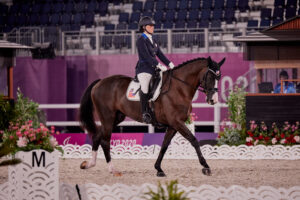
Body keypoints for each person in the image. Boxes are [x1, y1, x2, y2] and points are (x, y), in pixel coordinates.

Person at [135, 16, 175, 123]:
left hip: (154, 69)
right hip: (144, 70)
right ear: (144, 27)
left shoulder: (153, 39)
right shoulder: (140, 40)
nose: (153, 27)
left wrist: (169, 63)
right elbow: (146, 57)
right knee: (145, 88)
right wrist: (158, 64)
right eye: (150, 26)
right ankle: (144, 113)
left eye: (153, 26)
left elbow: (159, 54)